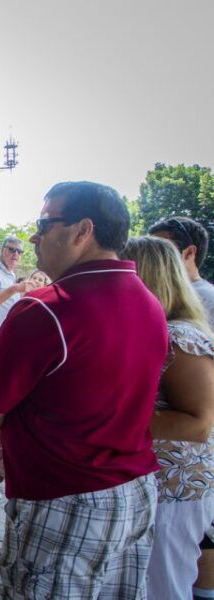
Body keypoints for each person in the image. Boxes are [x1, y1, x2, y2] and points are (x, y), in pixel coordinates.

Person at [0, 181, 168, 598]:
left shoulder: (46, 307)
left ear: (83, 230)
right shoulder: (150, 302)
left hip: (65, 497)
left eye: (45, 223)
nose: (34, 236)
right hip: (134, 493)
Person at [121, 235, 214, 599]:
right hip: (158, 483)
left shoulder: (180, 336)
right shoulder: (160, 330)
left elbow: (198, 422)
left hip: (176, 488)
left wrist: (110, 418)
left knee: (164, 586)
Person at [149, 216, 214, 326]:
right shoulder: (164, 294)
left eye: (162, 250)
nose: (152, 258)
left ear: (189, 253)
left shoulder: (207, 300)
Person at [0, 237, 34, 360]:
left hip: (4, 338)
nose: (16, 254)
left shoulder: (11, 274)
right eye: (12, 250)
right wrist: (14, 289)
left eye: (19, 252)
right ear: (3, 250)